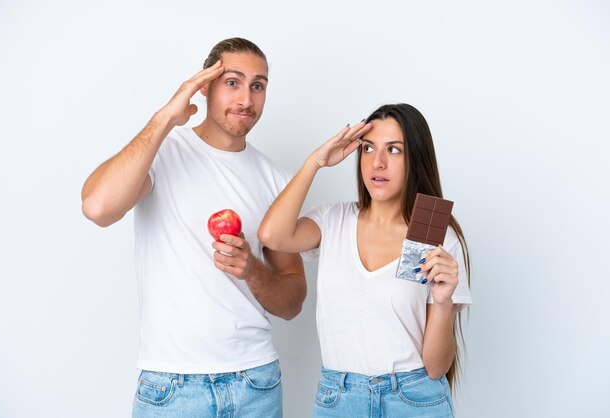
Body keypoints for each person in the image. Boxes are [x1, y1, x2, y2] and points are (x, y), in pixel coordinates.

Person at [81, 37, 306, 418]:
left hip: (256, 383)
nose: (246, 100)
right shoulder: (162, 153)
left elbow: (292, 302)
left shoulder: (277, 180)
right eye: (232, 82)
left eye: (258, 86)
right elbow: (97, 207)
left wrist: (252, 269)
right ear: (205, 86)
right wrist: (166, 117)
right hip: (171, 387)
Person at [258, 104, 472, 417]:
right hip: (340, 400)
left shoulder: (437, 237)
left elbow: (436, 366)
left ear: (416, 159)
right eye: (368, 148)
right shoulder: (332, 220)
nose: (378, 162)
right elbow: (272, 236)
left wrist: (442, 302)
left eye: (394, 150)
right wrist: (315, 163)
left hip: (413, 400)